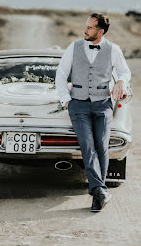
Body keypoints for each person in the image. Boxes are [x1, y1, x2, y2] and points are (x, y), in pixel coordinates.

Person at [55, 13, 131, 212]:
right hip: (78, 105)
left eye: (89, 28)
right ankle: (99, 191)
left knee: (102, 147)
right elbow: (61, 74)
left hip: (103, 104)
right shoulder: (74, 46)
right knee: (88, 148)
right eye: (86, 26)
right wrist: (66, 100)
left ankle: (99, 192)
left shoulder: (113, 49)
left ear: (100, 31)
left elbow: (125, 72)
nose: (85, 30)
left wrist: (121, 81)